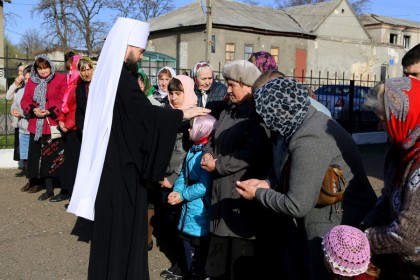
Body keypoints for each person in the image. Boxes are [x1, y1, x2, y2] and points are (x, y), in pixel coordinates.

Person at [67, 17, 210, 279]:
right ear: (128, 45)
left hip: (111, 165)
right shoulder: (121, 78)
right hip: (122, 172)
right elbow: (145, 117)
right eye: (140, 49)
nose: (142, 55)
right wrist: (182, 115)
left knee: (111, 236)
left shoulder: (110, 75)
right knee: (121, 233)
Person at [235, 77, 377, 279]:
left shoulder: (309, 138)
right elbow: (301, 175)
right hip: (327, 219)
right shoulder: (304, 120)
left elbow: (297, 205)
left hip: (334, 228)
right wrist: (267, 183)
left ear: (279, 111)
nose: (267, 122)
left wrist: (259, 194)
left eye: (266, 115)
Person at [200, 60, 272, 279]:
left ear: (248, 85)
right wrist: (208, 152)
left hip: (239, 196)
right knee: (218, 260)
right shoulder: (228, 111)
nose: (228, 90)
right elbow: (214, 137)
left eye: (232, 85)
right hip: (220, 192)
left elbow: (250, 152)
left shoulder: (256, 116)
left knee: (239, 263)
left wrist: (218, 165)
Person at [361, 76, 420, 279]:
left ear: (403, 115)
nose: (379, 127)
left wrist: (361, 240)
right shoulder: (398, 152)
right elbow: (386, 200)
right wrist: (361, 226)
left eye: (383, 119)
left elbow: (405, 237)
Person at [157, 75, 197, 279]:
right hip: (164, 176)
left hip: (179, 180)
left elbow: (186, 154)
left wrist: (172, 179)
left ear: (187, 92)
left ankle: (183, 266)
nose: (173, 97)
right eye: (171, 93)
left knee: (178, 225)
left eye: (178, 93)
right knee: (168, 223)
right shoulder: (169, 113)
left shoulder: (192, 117)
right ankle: (178, 262)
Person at [168, 114, 217, 280]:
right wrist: (178, 190)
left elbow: (204, 185)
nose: (189, 129)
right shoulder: (193, 149)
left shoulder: (204, 155)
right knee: (187, 247)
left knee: (197, 251)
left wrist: (182, 195)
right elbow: (184, 173)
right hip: (189, 207)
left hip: (199, 211)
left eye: (192, 127)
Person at [21, 54, 67, 201]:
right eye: (39, 68)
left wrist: (51, 110)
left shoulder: (60, 78)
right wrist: (34, 109)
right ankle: (48, 190)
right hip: (37, 124)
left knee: (57, 157)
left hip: (53, 123)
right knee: (43, 159)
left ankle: (63, 188)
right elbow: (26, 99)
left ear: (51, 66)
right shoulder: (32, 81)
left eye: (45, 67)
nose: (43, 71)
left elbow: (64, 99)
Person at [50, 53, 82, 203]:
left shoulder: (80, 86)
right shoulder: (70, 85)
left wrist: (67, 124)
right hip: (67, 128)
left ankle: (72, 192)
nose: (69, 72)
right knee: (66, 161)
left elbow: (77, 110)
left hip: (75, 130)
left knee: (74, 162)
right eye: (68, 70)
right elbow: (63, 106)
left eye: (72, 69)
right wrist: (61, 120)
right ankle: (66, 189)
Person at [11, 65, 37, 192]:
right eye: (26, 78)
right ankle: (30, 181)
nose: (27, 81)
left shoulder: (37, 91)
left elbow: (35, 110)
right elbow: (14, 104)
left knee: (34, 158)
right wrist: (13, 110)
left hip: (32, 129)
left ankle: (37, 182)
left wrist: (21, 114)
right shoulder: (20, 91)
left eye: (30, 78)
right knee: (25, 157)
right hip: (22, 130)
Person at [7, 62, 26, 175]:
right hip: (17, 121)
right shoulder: (17, 86)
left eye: (23, 71)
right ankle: (24, 167)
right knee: (19, 145)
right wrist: (15, 84)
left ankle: (28, 169)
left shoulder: (29, 85)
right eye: (19, 71)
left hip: (25, 120)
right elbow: (8, 96)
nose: (21, 73)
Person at [75, 57, 94, 134]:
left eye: (89, 69)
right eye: (83, 70)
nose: (87, 74)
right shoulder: (80, 88)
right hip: (87, 128)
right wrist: (82, 127)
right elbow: (79, 110)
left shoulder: (101, 84)